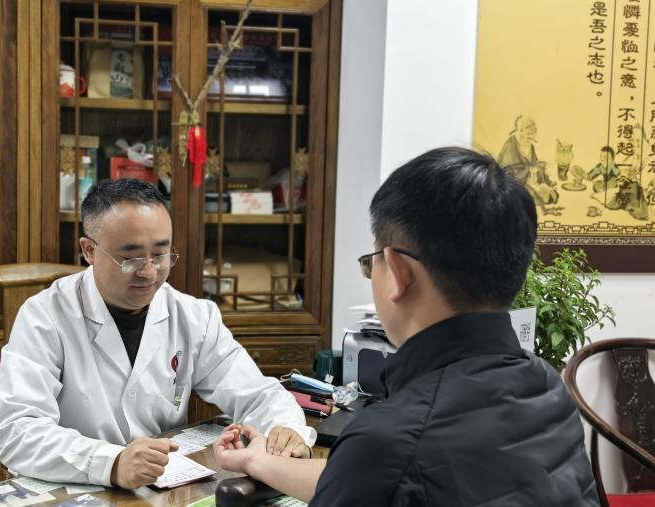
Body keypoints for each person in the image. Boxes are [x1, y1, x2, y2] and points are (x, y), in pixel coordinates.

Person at [214, 147, 599, 506]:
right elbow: (368, 479)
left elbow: (382, 471)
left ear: (398, 272)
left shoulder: (391, 440)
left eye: (372, 263)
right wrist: (258, 461)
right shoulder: (547, 387)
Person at [0, 179, 315, 488]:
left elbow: (257, 394)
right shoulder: (45, 316)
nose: (148, 272)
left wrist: (286, 430)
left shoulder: (193, 316)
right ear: (89, 251)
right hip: (70, 486)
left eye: (161, 255)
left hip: (160, 487)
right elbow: (15, 430)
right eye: (130, 258)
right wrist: (111, 463)